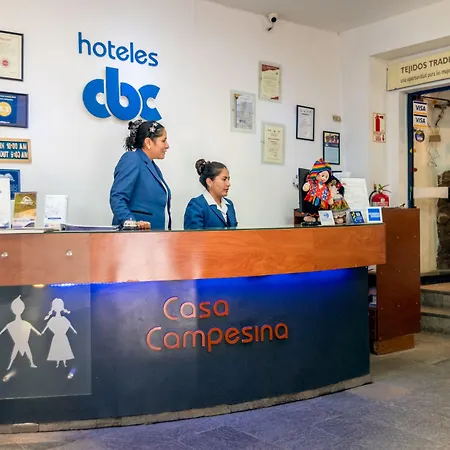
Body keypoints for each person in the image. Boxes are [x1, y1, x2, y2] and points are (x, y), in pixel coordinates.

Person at [110, 120, 171, 230]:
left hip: (153, 236)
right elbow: (117, 198)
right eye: (163, 141)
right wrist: (132, 223)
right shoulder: (132, 159)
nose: (167, 146)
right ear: (148, 142)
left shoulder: (153, 167)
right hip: (134, 236)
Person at [184, 159, 237, 230]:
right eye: (224, 179)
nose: (228, 184)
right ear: (209, 182)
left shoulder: (229, 204)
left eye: (228, 179)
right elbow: (193, 236)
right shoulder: (196, 206)